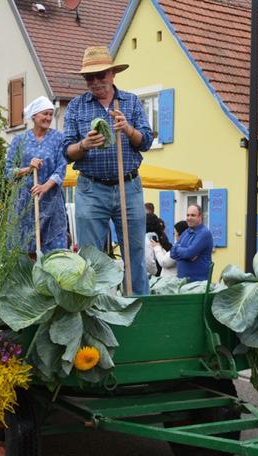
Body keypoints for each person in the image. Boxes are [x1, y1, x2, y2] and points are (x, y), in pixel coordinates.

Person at [63, 45, 153, 294]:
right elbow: (65, 151)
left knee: (135, 253)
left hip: (129, 186)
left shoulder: (131, 103)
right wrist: (84, 144)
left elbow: (145, 141)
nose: (95, 82)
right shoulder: (76, 107)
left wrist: (128, 129)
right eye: (89, 78)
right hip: (91, 188)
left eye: (100, 75)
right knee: (91, 257)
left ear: (112, 74)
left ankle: (139, 310)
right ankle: (96, 314)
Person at [5, 95, 68, 255]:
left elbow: (61, 168)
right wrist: (27, 169)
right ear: (34, 116)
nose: (48, 118)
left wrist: (44, 187)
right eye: (44, 114)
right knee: (23, 251)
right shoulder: (19, 140)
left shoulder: (59, 139)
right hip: (24, 203)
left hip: (51, 202)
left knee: (54, 253)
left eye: (50, 114)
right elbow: (8, 171)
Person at [171, 205, 214, 282]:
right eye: (188, 215)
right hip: (182, 282)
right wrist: (186, 254)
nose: (189, 218)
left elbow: (189, 253)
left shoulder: (204, 234)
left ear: (200, 216)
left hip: (197, 284)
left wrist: (181, 251)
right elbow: (172, 253)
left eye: (193, 215)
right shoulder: (186, 232)